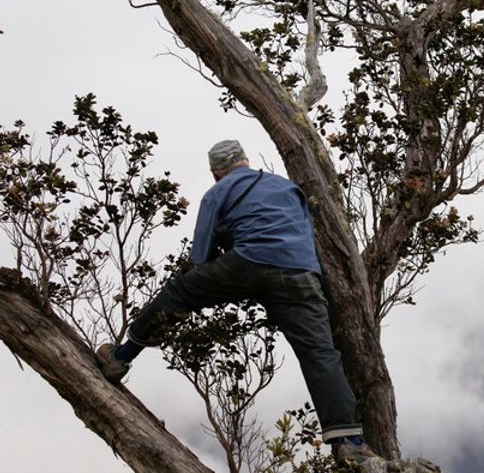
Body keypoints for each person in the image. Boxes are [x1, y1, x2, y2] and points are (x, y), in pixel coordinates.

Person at [96, 139, 378, 465]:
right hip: (301, 272)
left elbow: (200, 258)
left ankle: (120, 357)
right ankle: (350, 442)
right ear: (245, 160)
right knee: (320, 354)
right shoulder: (287, 187)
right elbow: (307, 235)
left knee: (178, 293)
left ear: (216, 172)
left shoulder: (218, 192)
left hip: (247, 262)